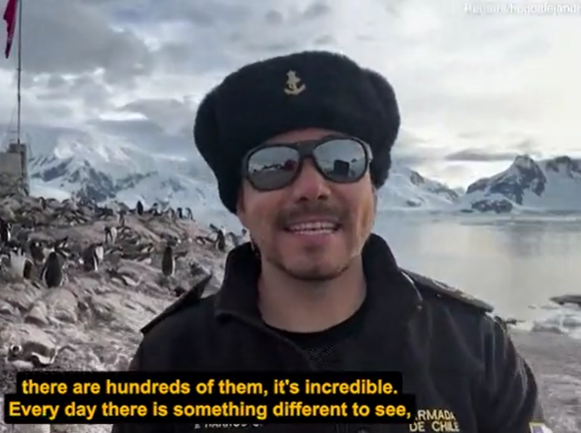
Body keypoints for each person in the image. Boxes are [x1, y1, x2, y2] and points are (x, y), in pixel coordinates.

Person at [112, 51, 549, 433]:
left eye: (342, 160)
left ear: (373, 190)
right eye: (272, 166)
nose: (311, 188)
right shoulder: (171, 359)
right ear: (239, 204)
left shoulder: (476, 348)